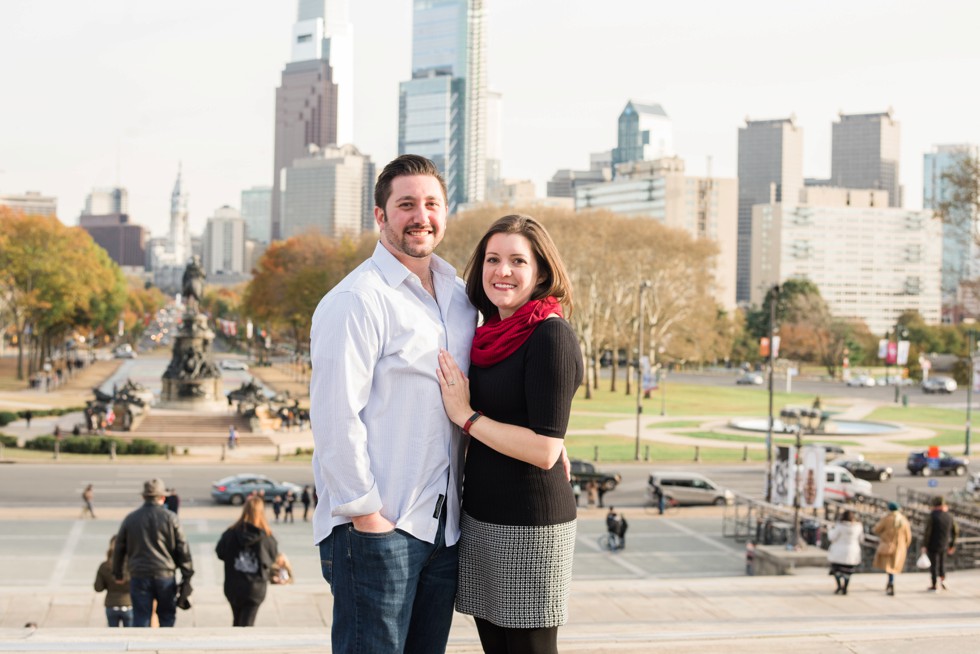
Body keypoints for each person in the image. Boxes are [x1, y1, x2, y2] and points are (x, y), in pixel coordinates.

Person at [310, 154, 477, 653]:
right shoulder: (357, 300)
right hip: (380, 531)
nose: (420, 216)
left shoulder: (462, 298)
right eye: (406, 204)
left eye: (431, 204)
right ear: (380, 216)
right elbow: (335, 418)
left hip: (441, 533)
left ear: (445, 214)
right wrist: (367, 516)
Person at [437, 213, 583, 653]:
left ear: (540, 272)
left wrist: (467, 417)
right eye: (492, 259)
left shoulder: (549, 335)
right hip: (483, 517)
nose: (502, 271)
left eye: (518, 261)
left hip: (531, 525)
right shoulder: (490, 333)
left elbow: (543, 450)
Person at [112, 478, 193, 627]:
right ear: (163, 497)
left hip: (139, 575)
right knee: (167, 617)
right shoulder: (171, 518)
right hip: (165, 575)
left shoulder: (131, 518)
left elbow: (119, 548)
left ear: (144, 497)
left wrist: (118, 573)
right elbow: (183, 548)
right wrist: (187, 575)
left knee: (141, 618)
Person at [215, 496, 279, 627]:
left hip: (233, 585)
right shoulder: (266, 537)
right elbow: (272, 558)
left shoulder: (230, 533)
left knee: (237, 621)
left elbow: (220, 552)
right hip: (255, 587)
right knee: (247, 624)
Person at [872, 501, 912, 596]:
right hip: (900, 547)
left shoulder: (887, 519)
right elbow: (908, 536)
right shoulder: (903, 520)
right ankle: (891, 582)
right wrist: (905, 545)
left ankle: (890, 582)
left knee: (889, 567)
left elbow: (876, 529)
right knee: (893, 566)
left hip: (888, 545)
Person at [922, 495, 959, 591]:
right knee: (942, 563)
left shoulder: (932, 516)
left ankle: (934, 584)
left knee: (934, 565)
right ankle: (943, 581)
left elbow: (928, 532)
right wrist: (952, 545)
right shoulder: (949, 516)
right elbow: (955, 531)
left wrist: (924, 545)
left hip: (933, 544)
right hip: (945, 544)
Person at [94, 536, 132, 627]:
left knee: (113, 635)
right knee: (130, 636)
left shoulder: (104, 566)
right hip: (129, 604)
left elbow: (98, 588)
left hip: (111, 605)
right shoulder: (131, 565)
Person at [827, 510, 863, 595]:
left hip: (839, 551)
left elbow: (832, 537)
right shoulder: (858, 527)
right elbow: (861, 539)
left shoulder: (840, 526)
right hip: (852, 551)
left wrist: (829, 529)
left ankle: (839, 586)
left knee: (837, 570)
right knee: (848, 572)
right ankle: (845, 587)